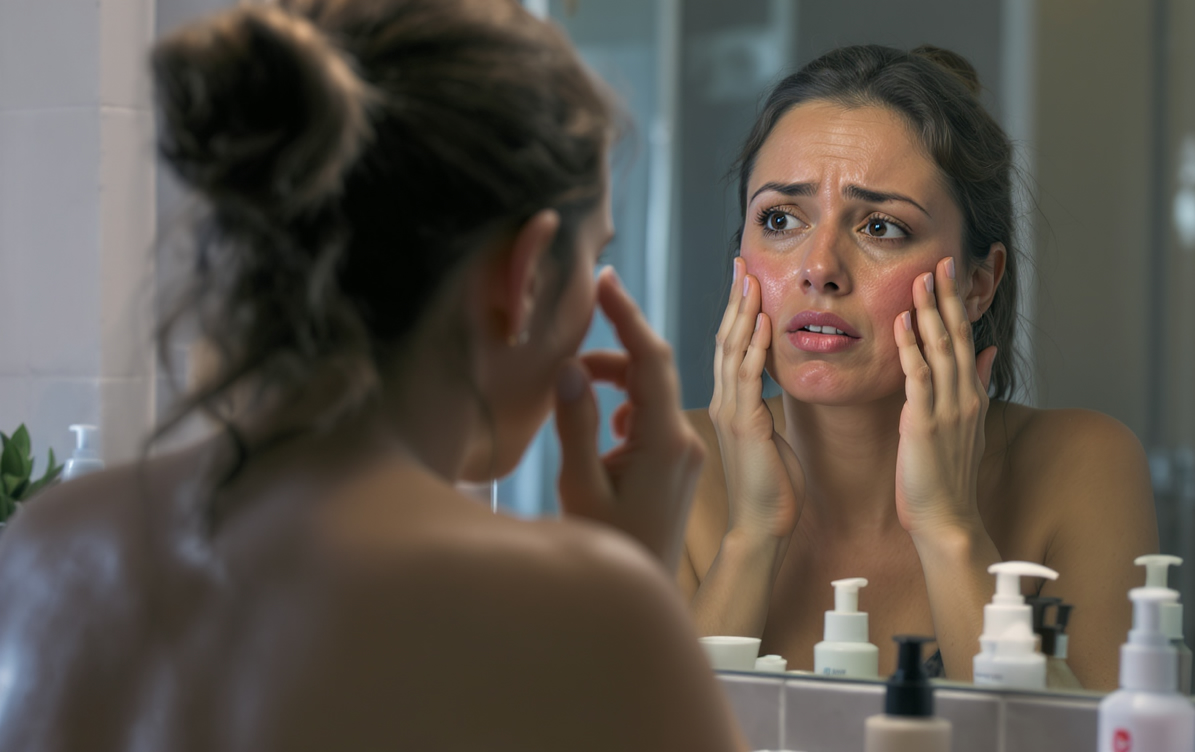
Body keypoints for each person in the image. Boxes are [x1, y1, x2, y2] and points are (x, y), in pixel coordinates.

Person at [0, 1, 741, 750]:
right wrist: (624, 595)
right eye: (592, 257)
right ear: (522, 276)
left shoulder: (43, 551)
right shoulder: (581, 612)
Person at [681, 44, 1159, 690]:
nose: (817, 267)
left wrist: (950, 529)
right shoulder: (669, 468)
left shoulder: (1084, 467)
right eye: (780, 218)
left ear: (978, 283)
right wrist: (750, 538)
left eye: (880, 227)